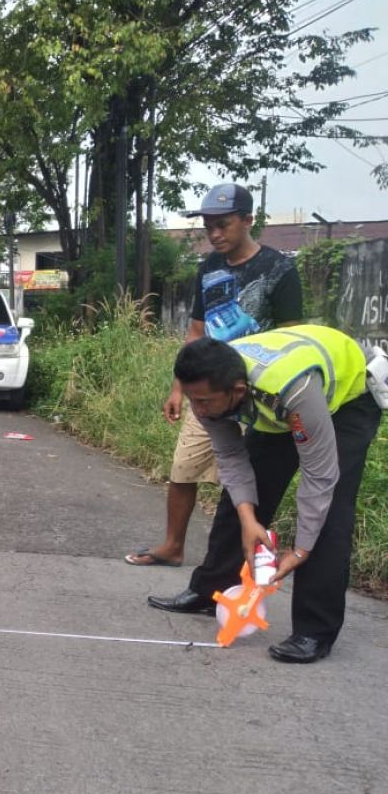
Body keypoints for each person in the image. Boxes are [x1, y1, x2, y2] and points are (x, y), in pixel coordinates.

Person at [148, 326, 381, 663]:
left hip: (346, 401)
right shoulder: (210, 386)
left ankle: (314, 632)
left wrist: (300, 551)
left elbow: (319, 477)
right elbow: (231, 458)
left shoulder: (292, 389)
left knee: (329, 509)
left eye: (203, 402)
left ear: (237, 391)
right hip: (276, 403)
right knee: (241, 497)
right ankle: (212, 590)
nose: (197, 410)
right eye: (191, 399)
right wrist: (248, 519)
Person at [126, 182, 302, 568]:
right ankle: (173, 546)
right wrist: (179, 388)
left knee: (246, 480)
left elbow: (294, 339)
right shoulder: (208, 268)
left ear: (248, 220)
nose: (215, 234)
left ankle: (243, 562)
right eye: (209, 227)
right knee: (183, 468)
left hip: (257, 393)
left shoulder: (279, 269)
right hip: (209, 390)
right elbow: (196, 333)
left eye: (223, 225)